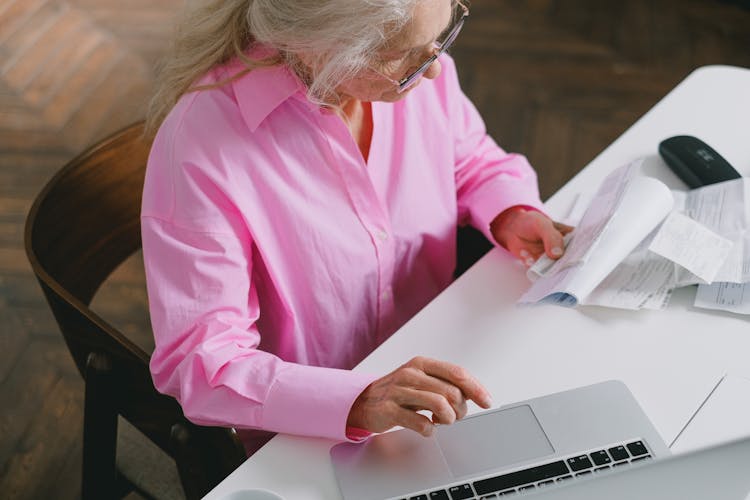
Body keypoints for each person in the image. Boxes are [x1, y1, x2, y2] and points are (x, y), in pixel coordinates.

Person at [141, 0, 572, 455]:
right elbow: (204, 361)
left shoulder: (415, 66)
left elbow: (470, 161)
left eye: (441, 36)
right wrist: (358, 401)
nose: (433, 70)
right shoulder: (201, 149)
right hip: (304, 439)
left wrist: (511, 212)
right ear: (316, 46)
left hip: (446, 357)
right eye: (403, 54)